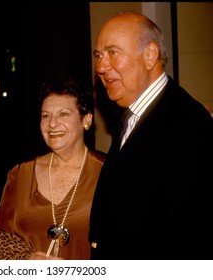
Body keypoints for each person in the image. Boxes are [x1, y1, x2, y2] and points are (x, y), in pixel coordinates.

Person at [89, 11, 213, 260]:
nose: (101, 66)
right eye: (99, 55)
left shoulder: (189, 125)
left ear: (150, 56)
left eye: (113, 52)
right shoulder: (135, 113)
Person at [0, 77, 105, 260]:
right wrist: (26, 260)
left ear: (86, 120)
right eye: (45, 115)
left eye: (63, 114)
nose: (52, 124)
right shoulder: (20, 174)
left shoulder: (108, 171)